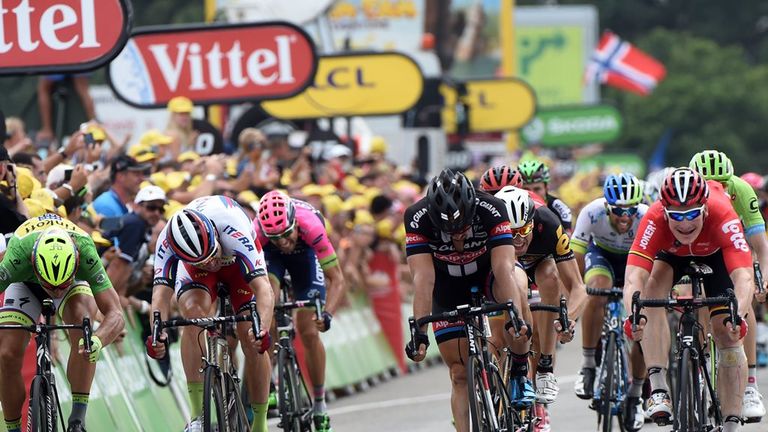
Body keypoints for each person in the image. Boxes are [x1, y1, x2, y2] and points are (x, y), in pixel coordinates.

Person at [625, 168, 752, 432]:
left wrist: (737, 315)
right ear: (665, 210)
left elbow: (743, 277)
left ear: (704, 208)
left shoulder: (722, 212)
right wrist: (633, 316)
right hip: (671, 255)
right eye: (677, 216)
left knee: (728, 332)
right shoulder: (654, 217)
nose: (685, 223)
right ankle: (658, 387)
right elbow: (634, 276)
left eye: (692, 214)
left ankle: (730, 423)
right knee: (649, 293)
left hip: (716, 254)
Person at [404, 169, 530, 432]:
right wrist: (420, 332)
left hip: (488, 275)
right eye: (448, 230)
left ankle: (519, 369)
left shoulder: (492, 209)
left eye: (463, 227)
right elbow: (423, 279)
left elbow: (503, 268)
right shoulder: (417, 217)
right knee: (459, 374)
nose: (458, 235)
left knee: (516, 291)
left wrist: (514, 316)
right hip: (446, 285)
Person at [146, 196, 274, 432]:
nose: (212, 263)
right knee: (193, 317)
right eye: (204, 261)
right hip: (194, 272)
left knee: (250, 335)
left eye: (212, 256)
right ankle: (196, 416)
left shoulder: (233, 227)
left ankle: (260, 423)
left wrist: (262, 329)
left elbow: (264, 289)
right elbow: (160, 297)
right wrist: (157, 334)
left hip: (237, 264)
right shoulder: (167, 241)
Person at [0, 216, 124, 432]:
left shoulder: (86, 252)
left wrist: (97, 341)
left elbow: (116, 313)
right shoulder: (17, 256)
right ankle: (13, 428)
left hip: (73, 285)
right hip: (26, 283)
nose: (55, 292)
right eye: (51, 286)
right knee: (7, 354)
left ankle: (77, 420)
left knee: (82, 325)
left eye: (59, 287)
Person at [253, 190, 345, 432]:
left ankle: (319, 405)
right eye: (275, 237)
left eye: (285, 234)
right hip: (271, 258)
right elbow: (250, 280)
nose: (282, 241)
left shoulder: (311, 226)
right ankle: (272, 378)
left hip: (305, 254)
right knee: (267, 302)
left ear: (294, 222)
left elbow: (337, 280)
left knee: (308, 330)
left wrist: (327, 314)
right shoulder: (259, 234)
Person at [690, 150, 767, 420]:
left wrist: (762, 274)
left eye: (722, 183)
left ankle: (750, 387)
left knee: (743, 302)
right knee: (693, 298)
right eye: (710, 183)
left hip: (733, 247)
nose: (716, 189)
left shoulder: (742, 190)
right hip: (698, 249)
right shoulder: (687, 193)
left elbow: (758, 240)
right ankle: (699, 369)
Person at [570, 173, 648, 431]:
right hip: (601, 256)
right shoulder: (591, 213)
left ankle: (636, 396)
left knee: (642, 318)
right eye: (617, 210)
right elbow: (575, 260)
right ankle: (589, 364)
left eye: (630, 210)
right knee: (596, 291)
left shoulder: (646, 216)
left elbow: (657, 263)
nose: (625, 217)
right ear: (606, 206)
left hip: (634, 260)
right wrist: (576, 290)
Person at [105, 185, 167, 305]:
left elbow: (125, 270)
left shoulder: (141, 226)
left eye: (161, 210)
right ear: (137, 206)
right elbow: (117, 266)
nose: (156, 213)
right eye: (151, 207)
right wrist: (107, 304)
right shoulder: (136, 224)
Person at [518, 159, 573, 232]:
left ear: (546, 188)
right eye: (526, 189)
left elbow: (568, 237)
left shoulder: (559, 207)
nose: (531, 194)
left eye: (537, 189)